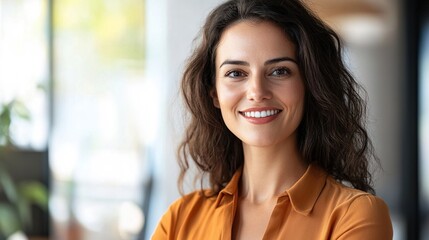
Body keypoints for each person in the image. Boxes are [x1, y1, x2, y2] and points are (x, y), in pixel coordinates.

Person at [152, 0, 393, 239]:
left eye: (280, 71)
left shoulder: (355, 216)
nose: (257, 91)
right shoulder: (179, 220)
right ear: (214, 92)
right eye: (236, 73)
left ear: (309, 84)